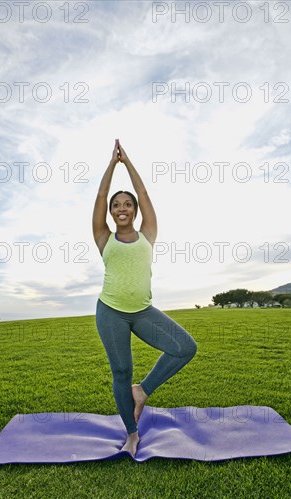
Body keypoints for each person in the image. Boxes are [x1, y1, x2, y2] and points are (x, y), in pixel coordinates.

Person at [92, 139, 197, 456]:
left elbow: (146, 194)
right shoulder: (102, 236)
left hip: (142, 311)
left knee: (185, 347)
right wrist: (112, 165)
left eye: (127, 204)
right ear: (110, 213)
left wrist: (129, 163)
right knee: (121, 372)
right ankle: (132, 433)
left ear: (135, 211)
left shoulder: (148, 233)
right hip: (111, 312)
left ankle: (143, 390)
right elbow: (99, 196)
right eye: (116, 205)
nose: (121, 208)